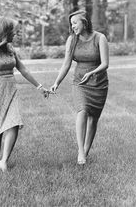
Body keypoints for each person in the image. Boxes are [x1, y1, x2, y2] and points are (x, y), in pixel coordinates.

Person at [0, 17, 49, 172]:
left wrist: (40, 87)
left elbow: (23, 69)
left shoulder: (11, 49)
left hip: (11, 89)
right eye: (14, 31)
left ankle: (4, 160)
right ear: (4, 31)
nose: (16, 34)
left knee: (14, 122)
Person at [50, 10, 109, 165]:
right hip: (80, 83)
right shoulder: (72, 40)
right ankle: (81, 152)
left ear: (85, 22)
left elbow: (105, 64)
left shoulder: (100, 38)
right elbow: (66, 64)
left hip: (98, 83)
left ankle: (86, 151)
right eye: (71, 24)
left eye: (75, 23)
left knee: (93, 119)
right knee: (82, 111)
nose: (73, 26)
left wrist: (92, 73)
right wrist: (57, 82)